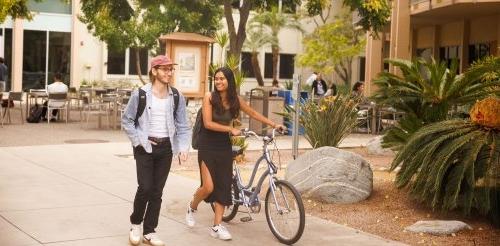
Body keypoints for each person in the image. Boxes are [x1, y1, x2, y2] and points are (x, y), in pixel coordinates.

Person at [185, 67, 285, 240]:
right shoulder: (209, 97)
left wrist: (274, 124)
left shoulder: (234, 100)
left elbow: (253, 113)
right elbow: (208, 123)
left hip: (223, 145)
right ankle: (192, 206)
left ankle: (216, 226)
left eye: (222, 78)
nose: (218, 81)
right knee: (208, 187)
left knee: (223, 185)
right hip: (207, 144)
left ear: (229, 81)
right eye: (216, 79)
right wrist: (230, 129)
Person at [122, 55, 191, 246]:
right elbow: (127, 120)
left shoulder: (176, 96)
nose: (169, 72)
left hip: (166, 148)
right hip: (145, 147)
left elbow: (183, 125)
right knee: (145, 188)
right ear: (154, 71)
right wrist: (138, 141)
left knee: (157, 192)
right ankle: (136, 223)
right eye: (165, 69)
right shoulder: (141, 94)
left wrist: (183, 148)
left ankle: (150, 231)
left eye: (171, 69)